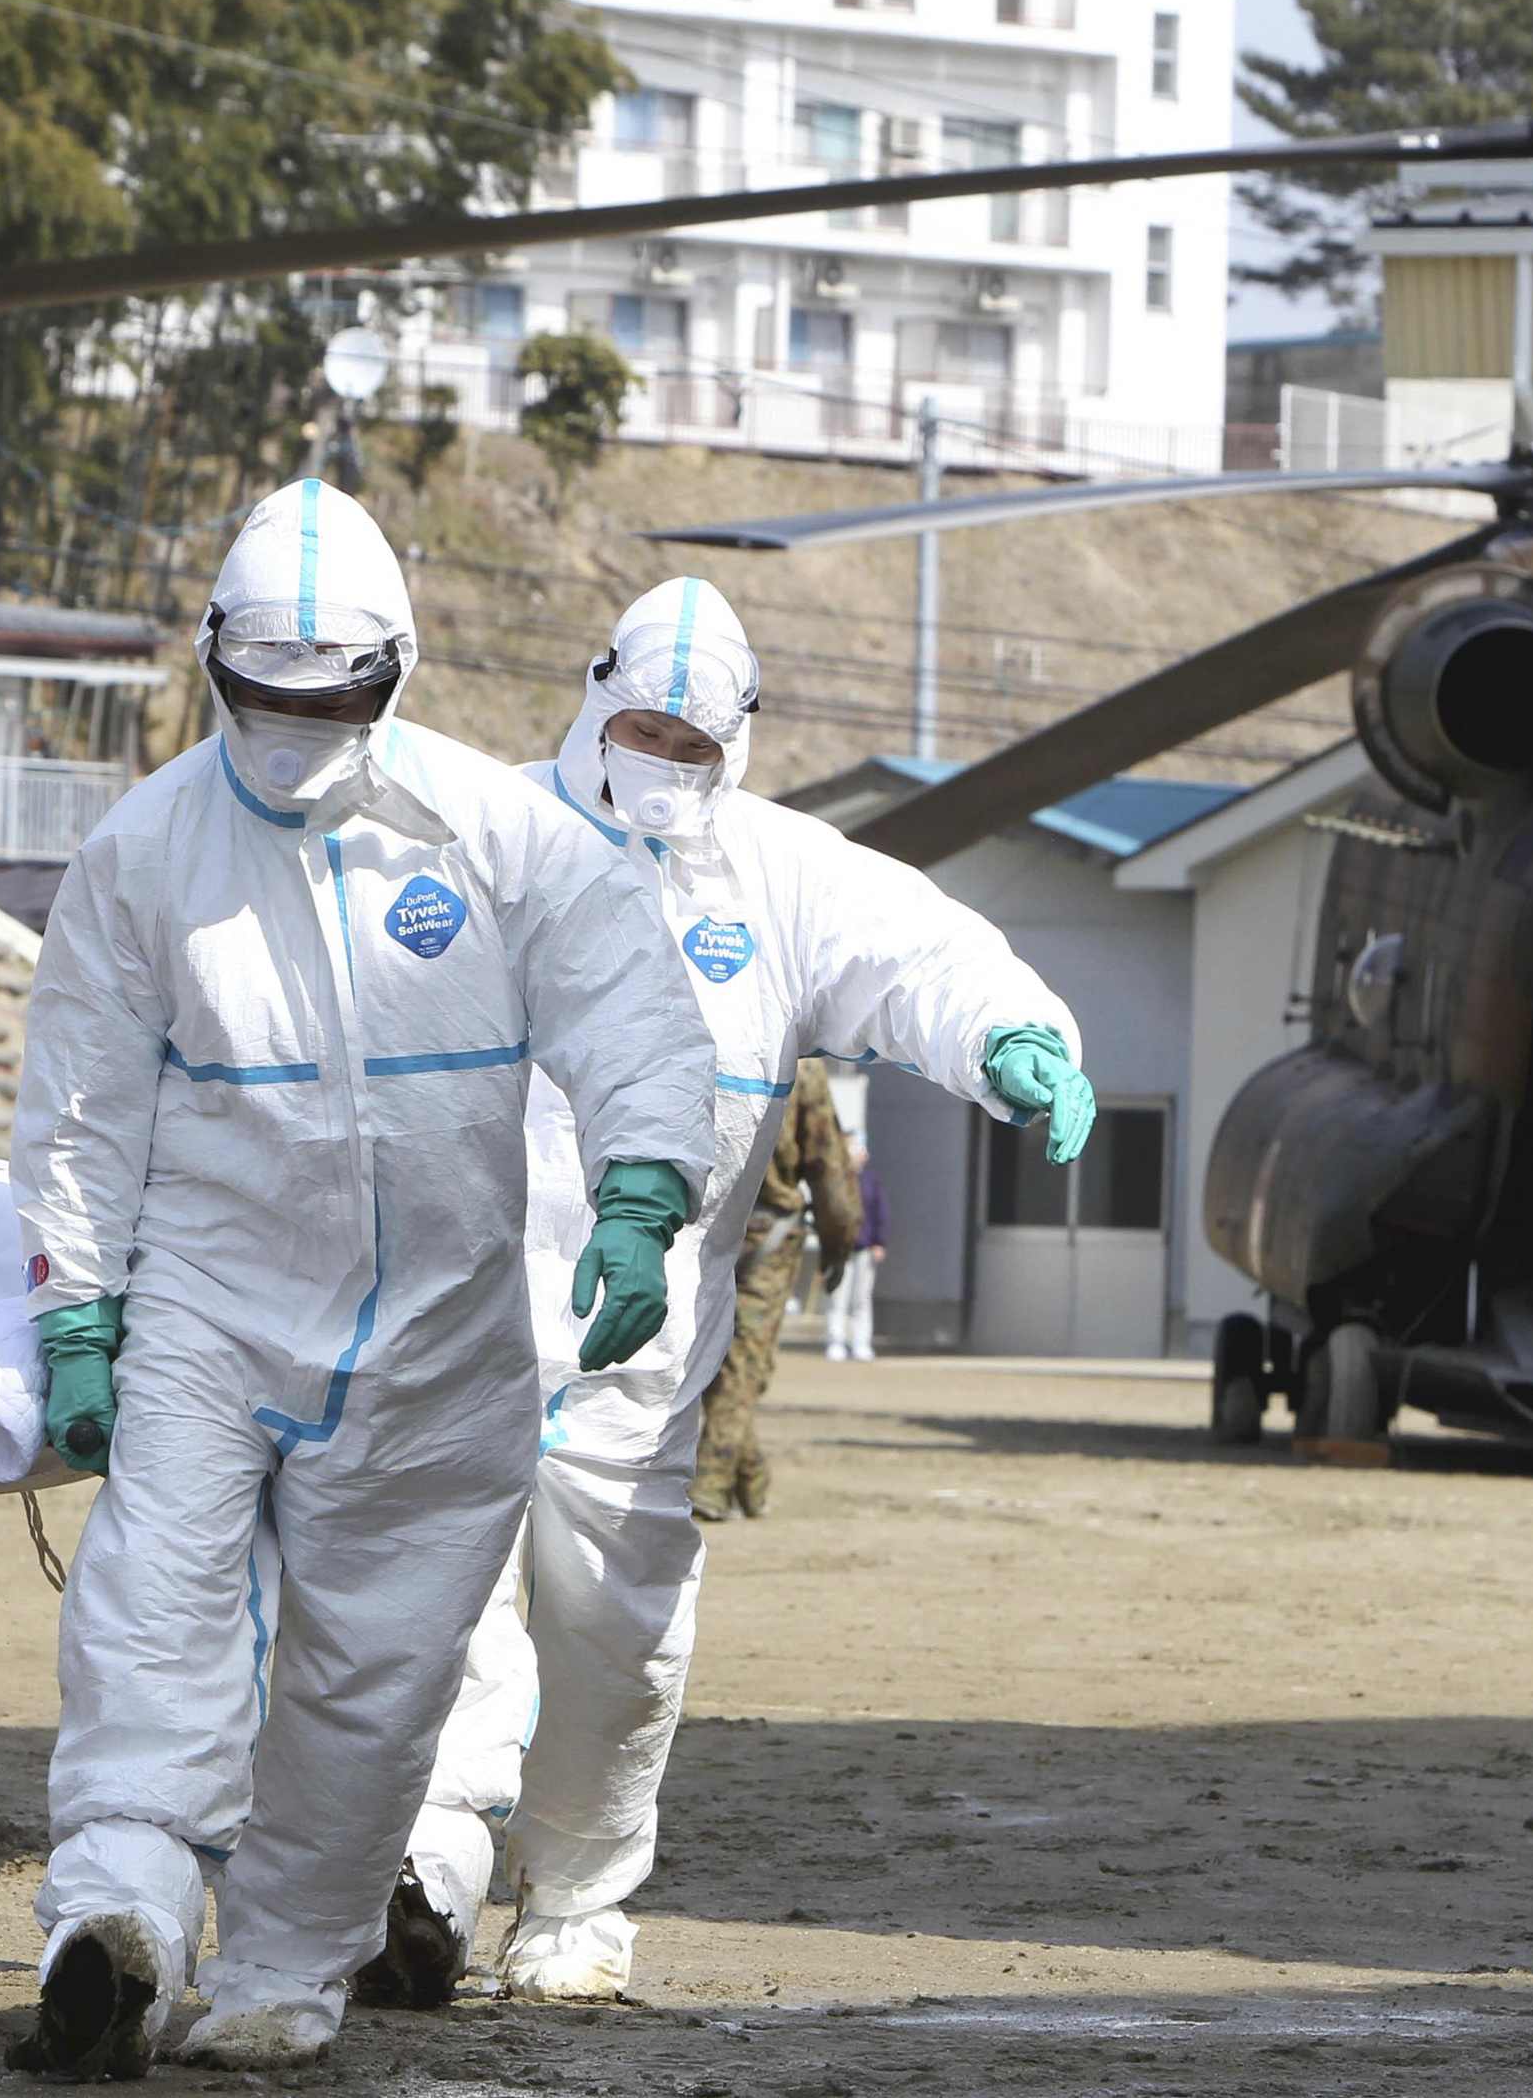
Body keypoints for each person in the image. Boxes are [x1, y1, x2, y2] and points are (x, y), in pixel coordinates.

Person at [3, 481, 715, 2079]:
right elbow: (77, 1106)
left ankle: (278, 1976)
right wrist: (74, 1307)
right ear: (214, 669)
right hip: (206, 1309)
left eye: (333, 699)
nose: (295, 728)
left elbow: (631, 1009)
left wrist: (642, 1188)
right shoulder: (144, 855)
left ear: (398, 672)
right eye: (266, 697)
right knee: (149, 1615)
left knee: (375, 1682)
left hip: (441, 1338)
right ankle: (113, 1924)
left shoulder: (509, 835)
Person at [391, 576, 1096, 2008]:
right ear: (596, 695)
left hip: (641, 1354)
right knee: (422, 1611)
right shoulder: (474, 829)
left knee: (619, 1641)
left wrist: (1014, 1032)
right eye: (644, 724)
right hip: (445, 1319)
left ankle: (576, 1906)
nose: (663, 757)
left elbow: (921, 956)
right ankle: (423, 1866)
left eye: (694, 742)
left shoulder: (785, 877)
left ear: (740, 745)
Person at [694, 1061, 860, 1521]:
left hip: (709, 1225)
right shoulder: (802, 1066)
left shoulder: (695, 1035)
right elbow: (827, 1160)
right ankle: (729, 1479)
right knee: (736, 1360)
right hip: (760, 1230)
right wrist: (839, 1239)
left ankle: (730, 1478)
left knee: (727, 1358)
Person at [822, 1140, 889, 1363]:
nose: (861, 1156)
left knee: (862, 1298)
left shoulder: (871, 1181)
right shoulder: (837, 1179)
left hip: (865, 1247)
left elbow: (880, 1212)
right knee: (838, 1296)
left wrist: (879, 1242)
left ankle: (861, 1342)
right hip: (841, 1248)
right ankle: (836, 1341)